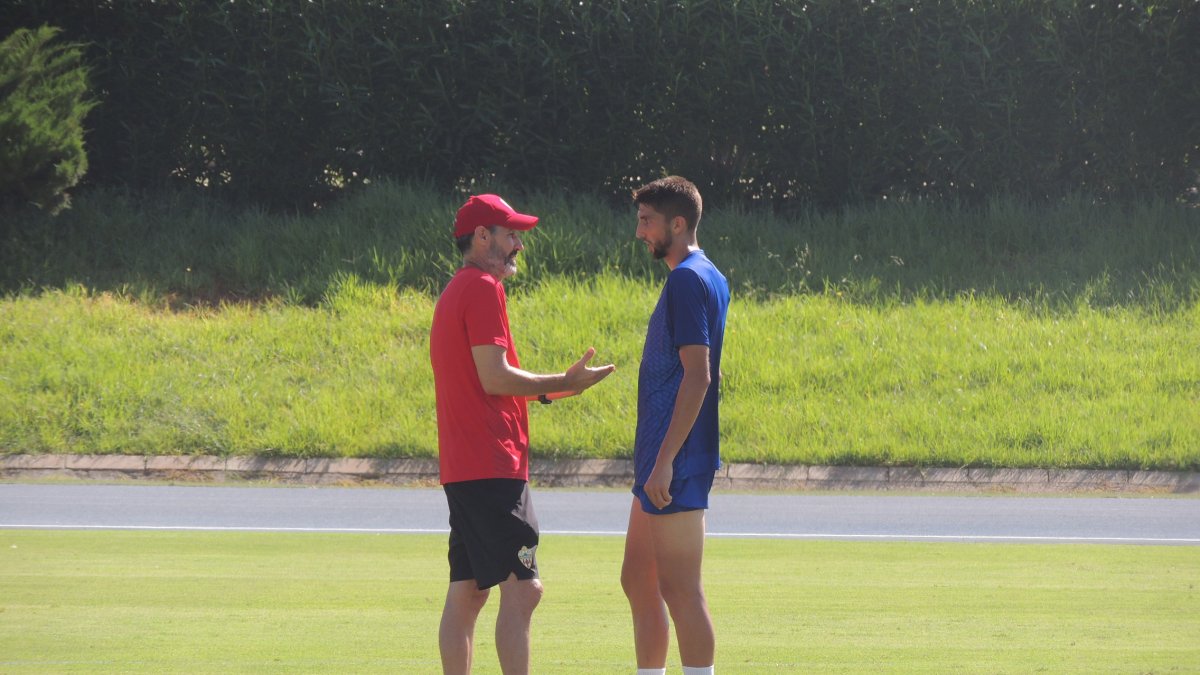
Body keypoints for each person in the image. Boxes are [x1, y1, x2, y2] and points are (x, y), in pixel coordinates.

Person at [429, 193, 616, 675]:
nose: (519, 244)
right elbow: (495, 377)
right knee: (524, 589)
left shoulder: (458, 289)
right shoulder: (482, 287)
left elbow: (487, 381)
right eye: (511, 234)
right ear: (482, 236)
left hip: (468, 465)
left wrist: (557, 388)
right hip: (491, 465)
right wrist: (563, 381)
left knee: (469, 590)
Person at [621, 177, 729, 675]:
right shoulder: (702, 274)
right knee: (638, 579)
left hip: (675, 459)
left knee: (681, 589)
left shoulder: (688, 278)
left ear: (678, 223)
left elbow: (699, 375)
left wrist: (665, 461)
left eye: (647, 221)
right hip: (660, 455)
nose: (639, 231)